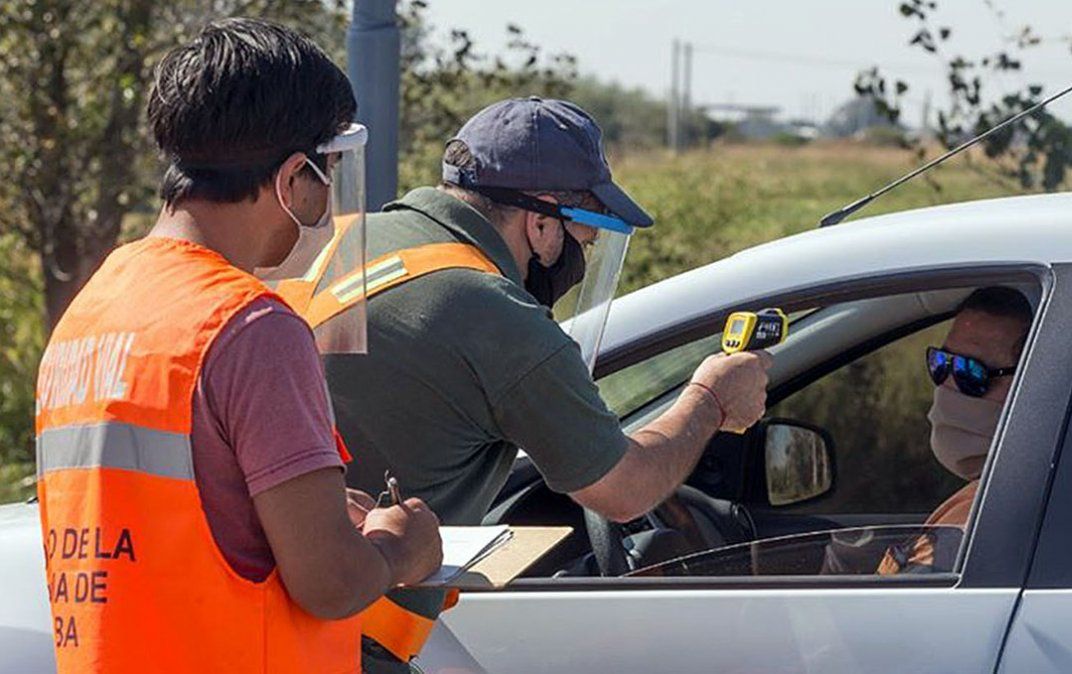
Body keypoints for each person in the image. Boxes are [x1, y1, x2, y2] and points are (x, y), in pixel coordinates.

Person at [34, 18, 441, 673]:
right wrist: (403, 547)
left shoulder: (92, 312)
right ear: (293, 177)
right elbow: (331, 581)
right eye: (328, 171)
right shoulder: (251, 327)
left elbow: (164, 521)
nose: (330, 199)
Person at [320, 97, 770, 669]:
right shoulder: (492, 310)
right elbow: (624, 489)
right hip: (349, 640)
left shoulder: (346, 238)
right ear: (540, 221)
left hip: (249, 621)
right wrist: (709, 399)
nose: (582, 255)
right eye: (584, 237)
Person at [877, 286, 1033, 574]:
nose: (946, 384)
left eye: (970, 372)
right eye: (941, 363)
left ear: (1032, 384)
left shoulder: (981, 519)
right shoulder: (986, 495)